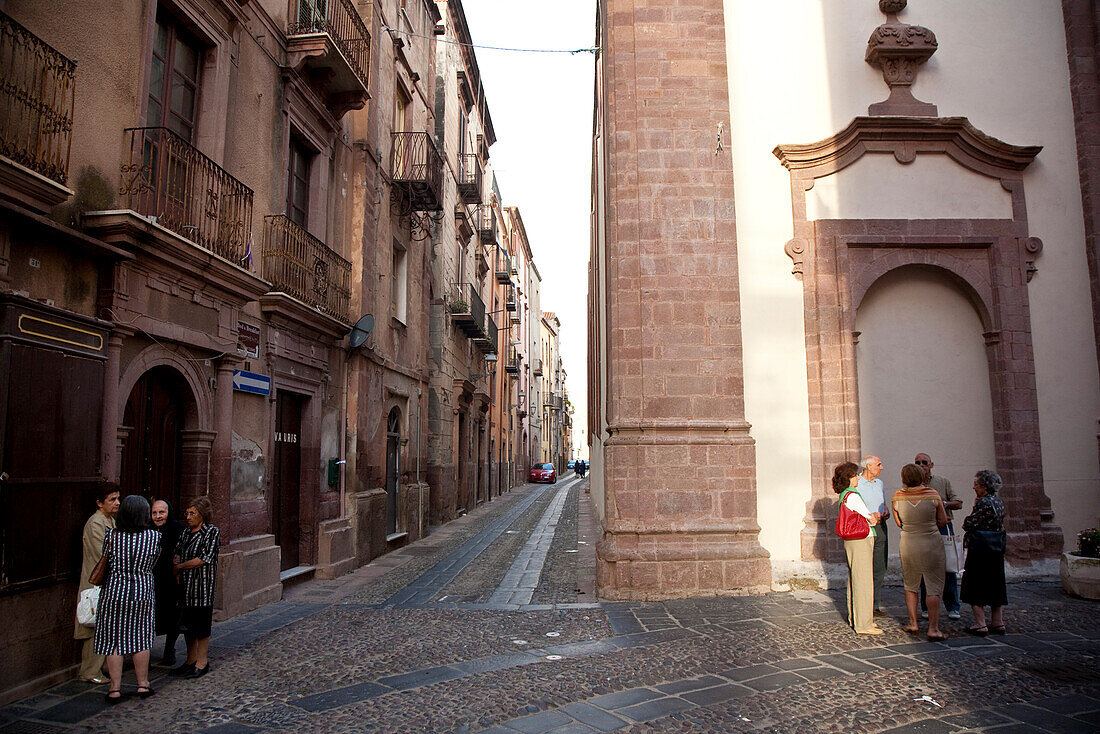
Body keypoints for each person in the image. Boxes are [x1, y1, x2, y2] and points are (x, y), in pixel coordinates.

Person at [94, 495, 161, 702]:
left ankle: (114, 689)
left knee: (113, 640)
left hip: (114, 591)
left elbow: (107, 560)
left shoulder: (112, 536)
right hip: (142, 590)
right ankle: (143, 685)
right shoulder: (153, 536)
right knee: (141, 638)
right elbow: (154, 561)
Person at [892, 463, 949, 641]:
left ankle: (913, 622)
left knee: (911, 584)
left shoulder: (898, 497)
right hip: (931, 542)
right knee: (933, 586)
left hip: (909, 542)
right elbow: (943, 520)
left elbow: (899, 523)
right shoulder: (932, 494)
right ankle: (933, 628)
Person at [74, 483, 119, 683]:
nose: (117, 503)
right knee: (94, 626)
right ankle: (90, 671)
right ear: (100, 503)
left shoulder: (109, 520)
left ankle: (96, 668)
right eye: (112, 499)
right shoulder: (96, 523)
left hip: (105, 583)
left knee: (101, 626)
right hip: (96, 584)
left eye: (118, 499)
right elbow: (102, 554)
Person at [172, 496, 220, 679]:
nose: (189, 516)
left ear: (203, 515)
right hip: (185, 587)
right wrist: (176, 565)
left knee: (201, 626)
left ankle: (202, 661)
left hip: (202, 587)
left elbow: (204, 558)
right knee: (188, 626)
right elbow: (178, 551)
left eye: (193, 513)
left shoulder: (211, 532)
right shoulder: (185, 533)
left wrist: (181, 566)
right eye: (187, 513)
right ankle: (190, 660)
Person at [833, 462, 882, 635]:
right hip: (861, 539)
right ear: (849, 478)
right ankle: (863, 624)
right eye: (854, 475)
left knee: (856, 579)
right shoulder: (852, 495)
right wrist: (875, 516)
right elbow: (870, 518)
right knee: (863, 581)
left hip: (854, 540)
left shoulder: (845, 494)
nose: (857, 478)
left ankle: (858, 619)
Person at [915, 452, 963, 620]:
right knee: (924, 568)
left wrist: (944, 504)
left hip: (943, 527)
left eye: (924, 462)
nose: (921, 465)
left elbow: (958, 503)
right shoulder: (913, 484)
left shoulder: (942, 482)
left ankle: (952, 606)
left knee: (948, 567)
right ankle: (927, 607)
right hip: (923, 529)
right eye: (918, 462)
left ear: (931, 465)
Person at [960, 470, 1008, 636]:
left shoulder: (983, 503)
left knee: (975, 584)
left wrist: (973, 509)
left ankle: (980, 623)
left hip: (980, 550)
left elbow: (969, 523)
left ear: (984, 486)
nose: (974, 487)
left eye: (976, 484)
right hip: (996, 549)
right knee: (996, 584)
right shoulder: (999, 502)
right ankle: (998, 622)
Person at [151, 499, 183, 665]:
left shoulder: (176, 529)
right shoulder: (147, 530)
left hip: (170, 580)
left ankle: (169, 649)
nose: (158, 516)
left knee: (172, 616)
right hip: (152, 580)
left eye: (161, 512)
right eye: (154, 513)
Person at [856, 454, 889, 614]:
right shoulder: (856, 484)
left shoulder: (879, 483)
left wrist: (886, 511)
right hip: (865, 529)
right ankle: (863, 603)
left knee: (879, 566)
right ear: (869, 466)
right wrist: (870, 516)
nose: (881, 467)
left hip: (881, 527)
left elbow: (883, 502)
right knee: (864, 567)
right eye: (879, 464)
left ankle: (875, 603)